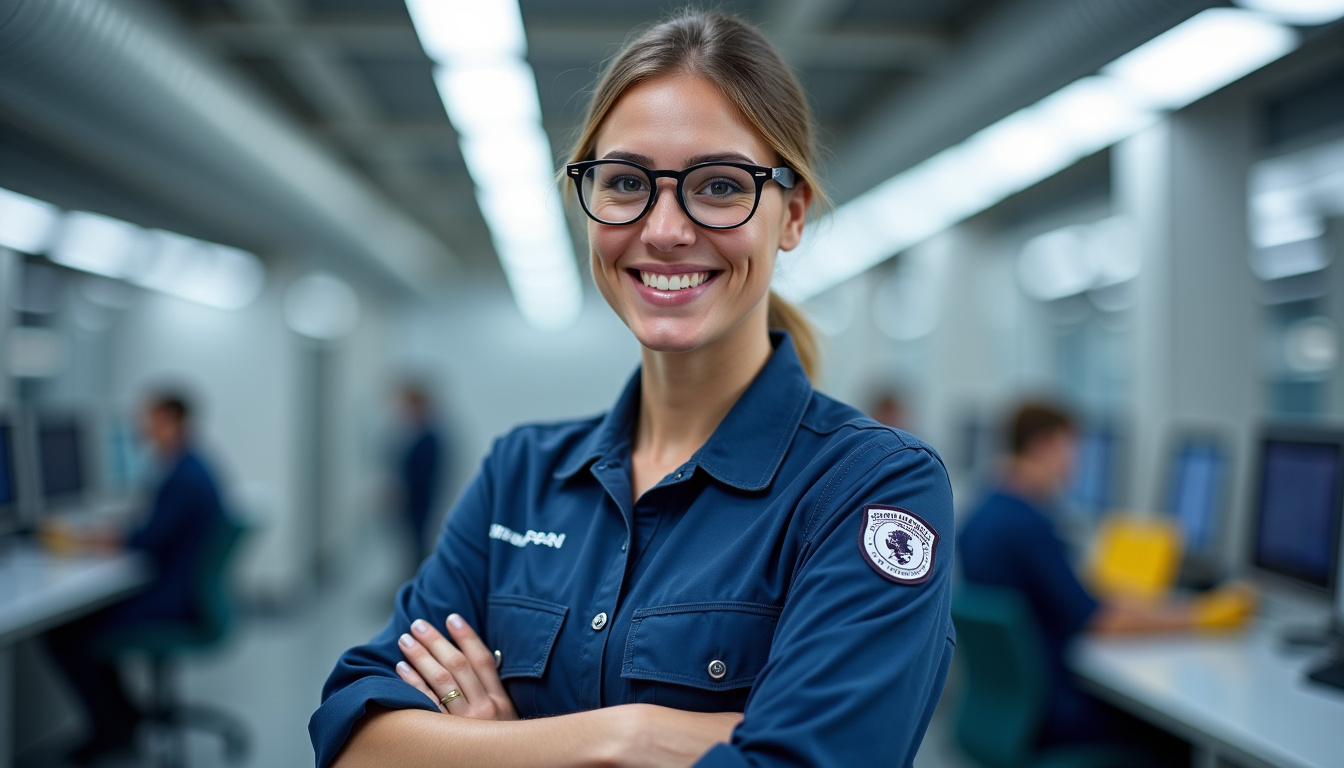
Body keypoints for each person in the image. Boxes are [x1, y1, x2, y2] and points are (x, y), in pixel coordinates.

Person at [310, 11, 955, 768]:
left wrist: (492, 748)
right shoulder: (522, 474)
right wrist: (629, 736)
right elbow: (355, 736)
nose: (665, 229)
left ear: (793, 213)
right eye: (625, 183)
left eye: (719, 185)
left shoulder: (871, 489)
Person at [958, 402, 1252, 750]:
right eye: (1070, 449)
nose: (1074, 464)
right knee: (1176, 740)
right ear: (1043, 447)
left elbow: (1074, 598)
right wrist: (1199, 616)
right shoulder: (1029, 525)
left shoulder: (984, 511)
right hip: (1053, 714)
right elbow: (1102, 621)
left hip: (1011, 707)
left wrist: (1141, 604)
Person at [42, 392, 229, 763]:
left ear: (171, 421)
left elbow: (146, 540)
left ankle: (112, 730)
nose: (141, 428)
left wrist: (80, 539)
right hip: (184, 590)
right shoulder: (190, 465)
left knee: (69, 631)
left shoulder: (184, 476)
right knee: (80, 624)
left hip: (176, 601)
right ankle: (122, 720)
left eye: (149, 419)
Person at [395, 382, 445, 562]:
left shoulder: (428, 438)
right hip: (417, 499)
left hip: (420, 500)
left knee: (419, 543)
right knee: (414, 544)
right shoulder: (417, 435)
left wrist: (403, 493)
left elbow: (423, 474)